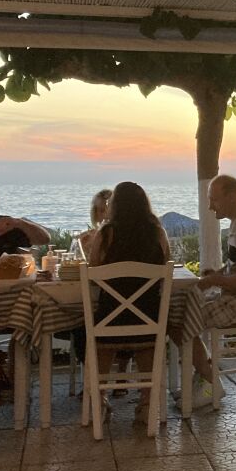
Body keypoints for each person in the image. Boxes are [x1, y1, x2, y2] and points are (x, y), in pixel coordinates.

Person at [176, 175, 236, 408]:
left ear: (232, 197)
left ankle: (211, 385)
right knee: (184, 310)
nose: (211, 207)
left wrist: (217, 280)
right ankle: (204, 380)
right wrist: (218, 274)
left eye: (214, 200)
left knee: (182, 319)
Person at [86, 181, 171, 425]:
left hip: (109, 321)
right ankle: (147, 404)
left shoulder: (106, 233)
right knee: (147, 343)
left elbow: (93, 270)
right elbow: (167, 263)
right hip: (148, 318)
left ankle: (99, 401)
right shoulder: (157, 232)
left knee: (98, 340)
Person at [78, 188, 113, 252]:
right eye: (102, 211)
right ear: (95, 214)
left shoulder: (124, 239)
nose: (106, 215)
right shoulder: (85, 239)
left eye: (109, 211)